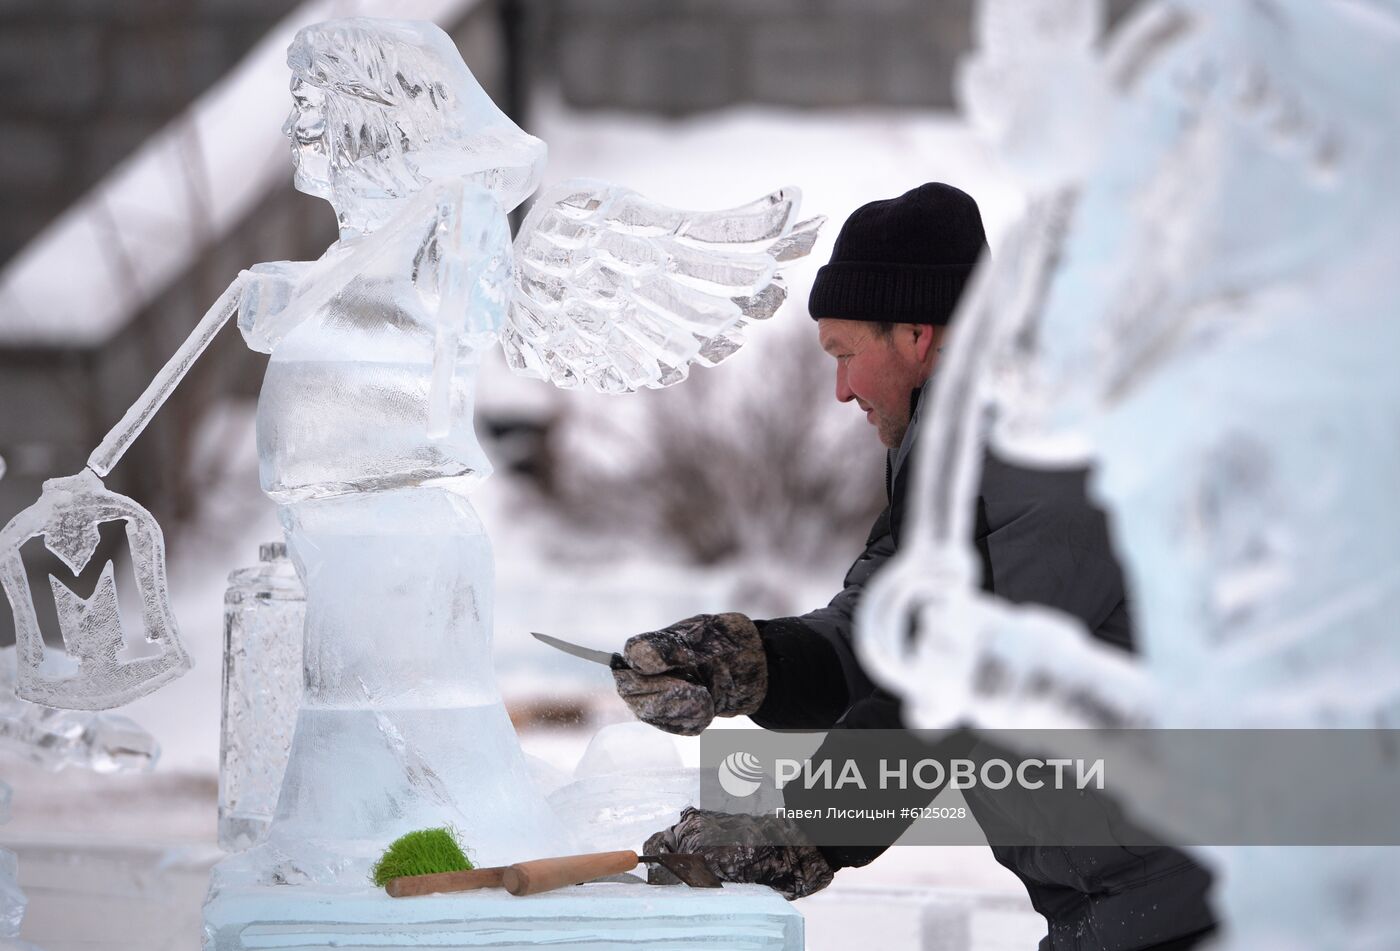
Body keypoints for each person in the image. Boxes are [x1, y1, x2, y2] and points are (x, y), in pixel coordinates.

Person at [611, 183, 1218, 951]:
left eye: (845, 354)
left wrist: (800, 833)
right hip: (1132, 901)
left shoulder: (1035, 450)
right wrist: (745, 661)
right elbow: (884, 631)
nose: (840, 390)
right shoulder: (957, 446)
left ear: (917, 335)